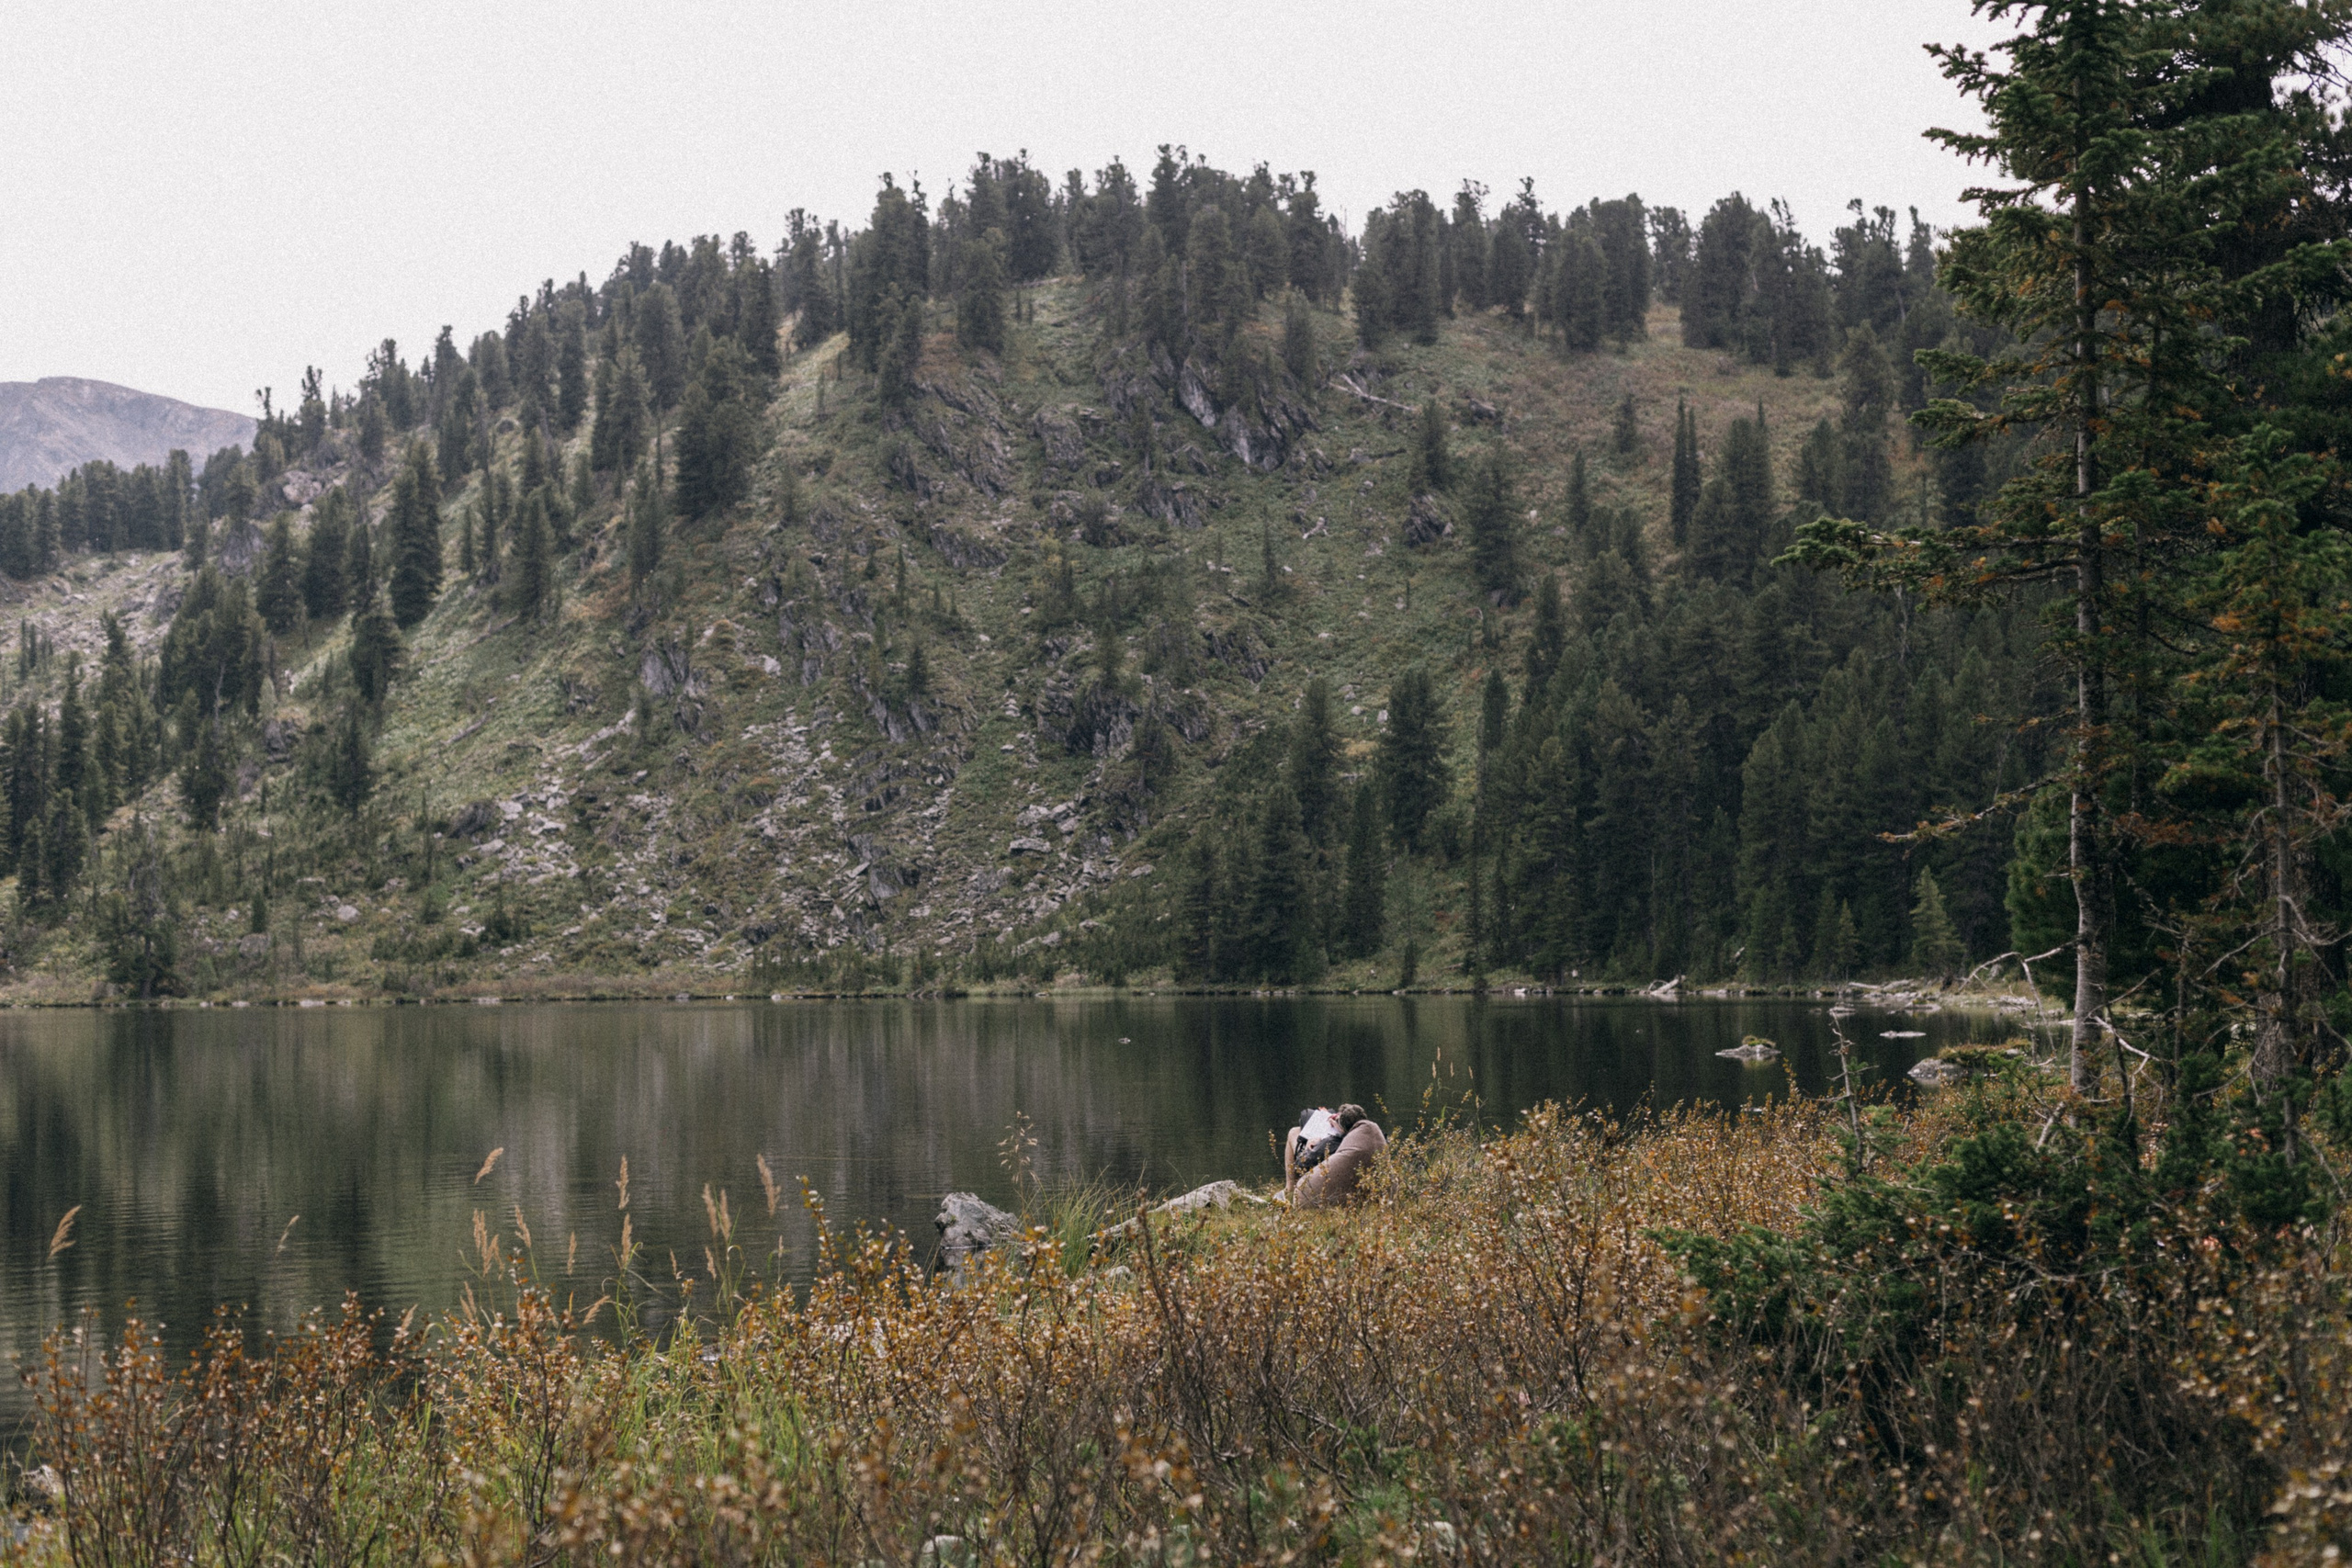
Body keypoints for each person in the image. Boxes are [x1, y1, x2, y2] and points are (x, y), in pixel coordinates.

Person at [1286, 1102, 1385, 1209]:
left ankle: (1289, 1188)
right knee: (1296, 1131)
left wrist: (1308, 1147)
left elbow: (1301, 1164)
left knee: (1293, 1133)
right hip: (1357, 1190)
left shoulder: (1333, 1141)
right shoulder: (1372, 1137)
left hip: (1313, 1197)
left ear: (1341, 1126)